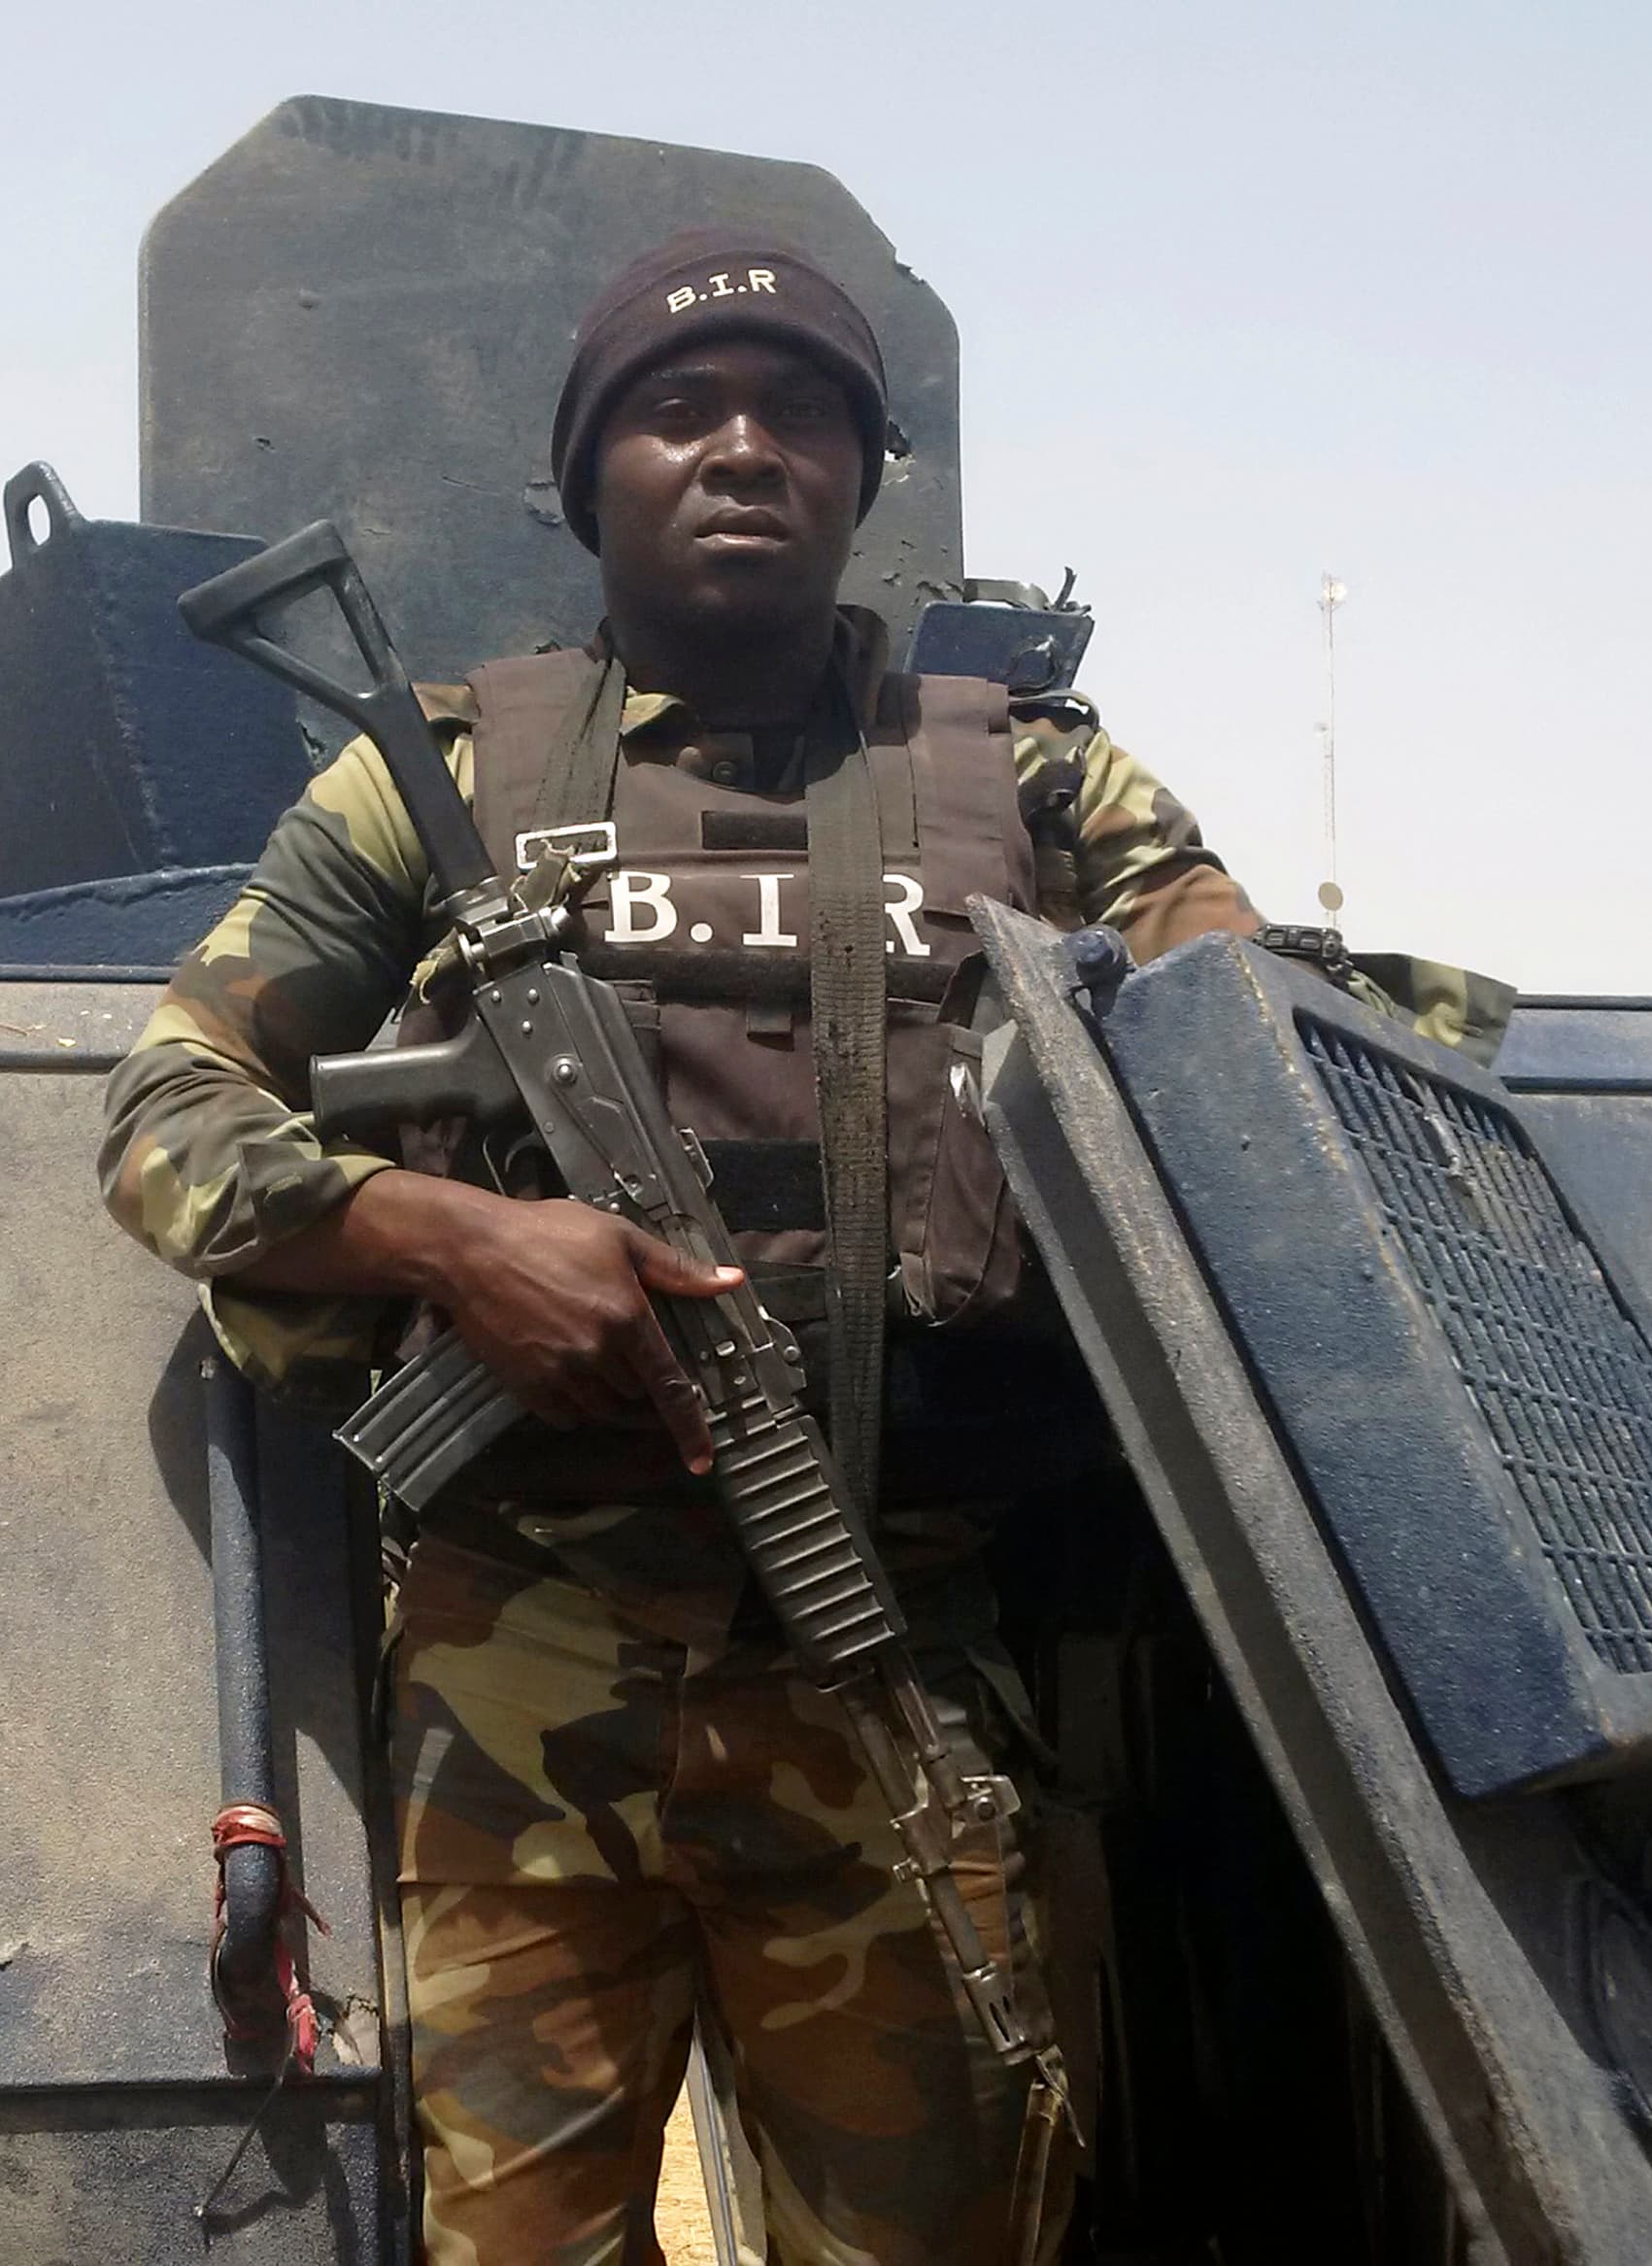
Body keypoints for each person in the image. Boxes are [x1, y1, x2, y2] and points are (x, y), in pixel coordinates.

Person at [103, 227, 1307, 2264]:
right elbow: (165, 1115)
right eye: (680, 411)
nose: (744, 448)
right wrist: (447, 1238)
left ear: (860, 475)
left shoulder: (1030, 776)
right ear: (588, 479)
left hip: (899, 1664)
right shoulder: (445, 771)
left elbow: (1268, 1090)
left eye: (802, 414)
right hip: (526, 1683)